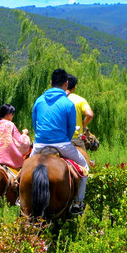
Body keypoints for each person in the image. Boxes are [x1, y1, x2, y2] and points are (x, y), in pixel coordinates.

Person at [31, 69, 89, 215]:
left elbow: (34, 122)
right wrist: (64, 139)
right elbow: (70, 129)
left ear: (51, 82)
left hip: (39, 144)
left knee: (22, 171)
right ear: (66, 83)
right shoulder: (68, 103)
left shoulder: (38, 100)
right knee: (84, 168)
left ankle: (20, 198)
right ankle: (78, 202)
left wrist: (41, 138)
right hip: (62, 144)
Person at [0, 104, 31, 169]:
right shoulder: (10, 124)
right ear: (8, 113)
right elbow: (21, 141)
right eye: (12, 113)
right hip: (7, 158)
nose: (13, 115)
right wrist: (25, 134)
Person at [66, 74, 94, 150]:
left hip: (54, 139)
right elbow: (89, 115)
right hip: (74, 138)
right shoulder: (80, 100)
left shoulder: (53, 99)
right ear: (74, 88)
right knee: (84, 161)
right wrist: (83, 124)